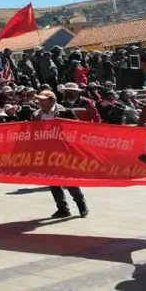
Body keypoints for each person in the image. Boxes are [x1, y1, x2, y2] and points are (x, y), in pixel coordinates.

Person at [33, 90, 88, 218]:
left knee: (68, 179)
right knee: (53, 181)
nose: (40, 102)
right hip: (47, 152)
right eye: (39, 100)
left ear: (52, 100)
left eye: (43, 100)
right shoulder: (37, 115)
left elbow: (77, 129)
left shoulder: (65, 112)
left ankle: (81, 205)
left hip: (63, 151)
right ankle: (63, 208)